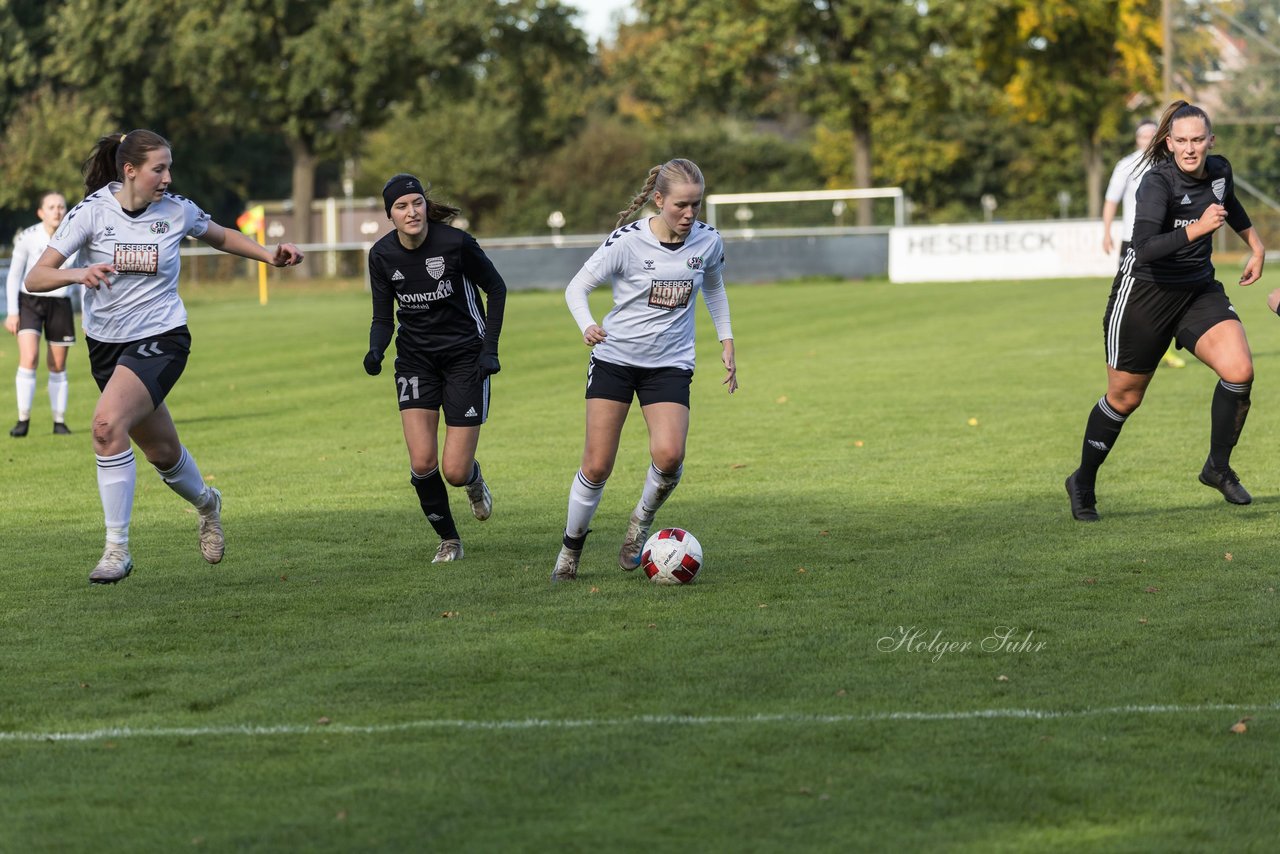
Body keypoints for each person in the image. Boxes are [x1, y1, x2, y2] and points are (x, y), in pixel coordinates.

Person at [25, 130, 303, 583]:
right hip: (106, 348)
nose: (168, 178)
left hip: (162, 337)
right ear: (129, 170)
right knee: (163, 452)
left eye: (169, 168)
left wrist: (269, 255)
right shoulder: (93, 212)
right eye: (159, 169)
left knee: (104, 425)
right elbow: (37, 278)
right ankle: (208, 503)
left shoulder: (177, 210)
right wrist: (80, 273)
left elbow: (222, 237)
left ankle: (117, 550)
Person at [1066, 101, 1266, 522]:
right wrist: (1196, 229)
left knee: (1240, 371)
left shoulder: (1219, 170)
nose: (1191, 149)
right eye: (1182, 141)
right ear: (1169, 143)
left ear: (1210, 140)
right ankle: (1083, 480)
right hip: (1144, 298)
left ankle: (1217, 467)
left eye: (1198, 140)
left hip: (1197, 292)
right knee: (1125, 399)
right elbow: (1143, 250)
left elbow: (1229, 202)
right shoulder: (1156, 183)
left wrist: (1255, 244)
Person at [552, 158, 737, 582]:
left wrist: (726, 340)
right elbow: (576, 287)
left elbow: (714, 285)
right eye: (681, 206)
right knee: (597, 465)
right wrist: (588, 325)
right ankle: (570, 550)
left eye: (697, 205)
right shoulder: (627, 241)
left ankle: (639, 525)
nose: (690, 214)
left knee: (670, 456)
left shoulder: (708, 241)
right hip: (615, 358)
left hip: (669, 363)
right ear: (659, 201)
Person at [363, 174, 506, 563]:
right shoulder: (381, 256)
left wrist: (489, 350)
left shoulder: (455, 243)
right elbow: (383, 317)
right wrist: (376, 350)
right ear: (390, 214)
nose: (411, 212)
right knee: (423, 462)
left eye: (416, 203)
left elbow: (496, 288)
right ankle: (449, 540)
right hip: (415, 361)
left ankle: (473, 480)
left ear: (425, 205)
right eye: (401, 206)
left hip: (464, 358)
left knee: (454, 470)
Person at [1103, 120, 1185, 369]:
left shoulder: (1168, 164)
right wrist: (1106, 231)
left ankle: (1165, 348)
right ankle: (1127, 346)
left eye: (1153, 134)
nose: (1148, 139)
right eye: (1144, 135)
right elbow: (1111, 199)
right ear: (1137, 139)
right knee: (1132, 296)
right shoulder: (1127, 164)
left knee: (1168, 291)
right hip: (1133, 240)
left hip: (1165, 240)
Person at [5, 192, 80, 436]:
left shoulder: (74, 236)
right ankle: (22, 420)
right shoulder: (28, 237)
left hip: (60, 304)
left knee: (57, 364)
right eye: (51, 207)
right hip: (29, 302)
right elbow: (14, 275)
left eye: (61, 206)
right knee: (30, 357)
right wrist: (12, 312)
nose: (57, 211)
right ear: (41, 212)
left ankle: (59, 422)